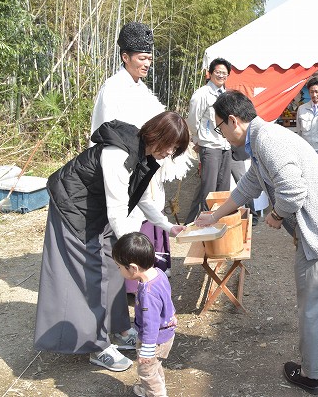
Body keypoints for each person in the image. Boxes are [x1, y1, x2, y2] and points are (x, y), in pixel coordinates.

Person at [195, 91, 318, 394]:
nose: (220, 133)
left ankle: (312, 375)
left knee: (311, 305)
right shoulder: (262, 139)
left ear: (233, 120)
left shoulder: (267, 141)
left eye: (219, 126)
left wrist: (276, 214)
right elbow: (249, 184)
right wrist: (216, 215)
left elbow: (293, 191)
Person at [34, 111, 189, 371]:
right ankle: (97, 346)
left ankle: (118, 327)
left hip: (98, 209)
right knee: (91, 272)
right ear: (159, 136)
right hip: (73, 207)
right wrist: (137, 257)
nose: (171, 152)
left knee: (113, 267)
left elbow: (140, 197)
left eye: (176, 149)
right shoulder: (118, 154)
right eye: (172, 145)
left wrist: (168, 226)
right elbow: (118, 211)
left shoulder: (145, 153)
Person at [91, 21, 189, 286]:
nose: (147, 63)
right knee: (119, 221)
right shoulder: (112, 89)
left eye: (149, 59)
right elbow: (109, 135)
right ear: (125, 57)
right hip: (118, 165)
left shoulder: (142, 89)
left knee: (142, 212)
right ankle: (128, 278)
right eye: (142, 58)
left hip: (139, 163)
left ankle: (134, 280)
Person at [112, 232, 177, 397]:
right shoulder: (159, 273)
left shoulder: (148, 293)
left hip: (154, 340)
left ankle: (156, 393)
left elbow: (151, 325)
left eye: (119, 266)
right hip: (166, 331)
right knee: (154, 366)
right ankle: (154, 389)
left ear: (133, 268)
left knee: (147, 371)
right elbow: (166, 299)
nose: (118, 270)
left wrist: (147, 350)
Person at [185, 57, 233, 224]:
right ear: (210, 73)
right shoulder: (202, 94)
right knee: (208, 191)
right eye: (218, 72)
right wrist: (198, 140)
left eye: (224, 73)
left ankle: (218, 224)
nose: (221, 75)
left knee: (223, 190)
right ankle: (205, 227)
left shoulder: (227, 95)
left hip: (226, 146)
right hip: (210, 147)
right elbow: (192, 120)